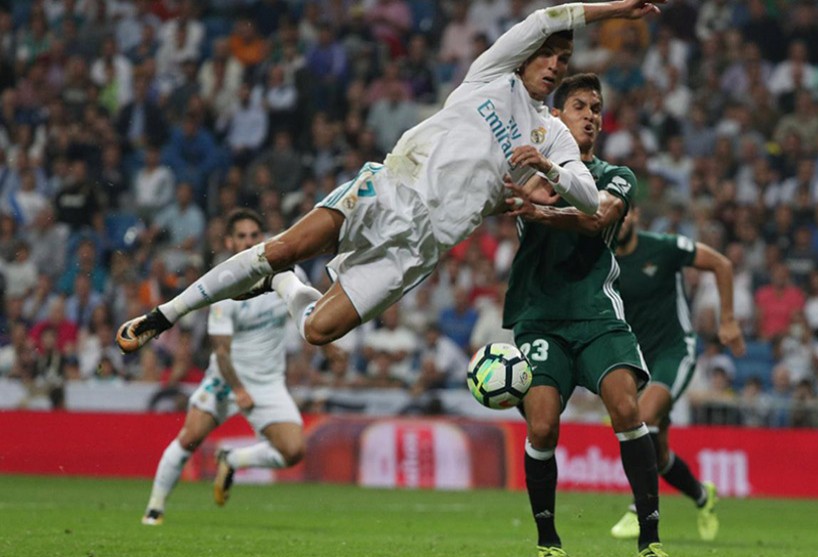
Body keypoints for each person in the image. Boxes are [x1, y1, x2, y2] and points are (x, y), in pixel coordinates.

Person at [116, 1, 667, 356]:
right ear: (526, 58)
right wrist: (614, 10)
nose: (553, 61)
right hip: (386, 191)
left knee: (316, 331)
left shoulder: (551, 136)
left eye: (562, 58)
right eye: (547, 54)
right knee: (284, 247)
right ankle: (163, 315)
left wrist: (546, 168)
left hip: (418, 249)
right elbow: (545, 18)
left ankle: (282, 288)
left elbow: (589, 198)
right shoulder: (490, 76)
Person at [501, 73, 674, 557]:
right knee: (543, 427)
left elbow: (598, 218)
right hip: (540, 318)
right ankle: (549, 547)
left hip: (597, 315)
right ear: (556, 117)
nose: (592, 116)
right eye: (580, 106)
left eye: (597, 108)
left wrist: (540, 208)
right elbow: (505, 200)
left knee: (627, 408)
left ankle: (651, 543)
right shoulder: (530, 171)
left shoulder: (617, 174)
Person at [141, 209, 309, 526]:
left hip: (268, 382)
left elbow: (306, 311)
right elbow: (220, 349)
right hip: (226, 378)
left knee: (294, 450)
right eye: (242, 236)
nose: (249, 241)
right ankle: (155, 508)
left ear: (263, 238)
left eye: (254, 235)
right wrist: (239, 389)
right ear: (230, 242)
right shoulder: (224, 288)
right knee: (189, 438)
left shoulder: (290, 273)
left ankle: (233, 459)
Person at [608, 205, 746, 541]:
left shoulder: (664, 247)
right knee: (660, 454)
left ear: (636, 215)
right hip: (637, 358)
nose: (620, 219)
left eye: (624, 212)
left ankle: (638, 510)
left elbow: (721, 264)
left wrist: (727, 320)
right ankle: (703, 496)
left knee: (641, 417)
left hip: (675, 351)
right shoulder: (603, 258)